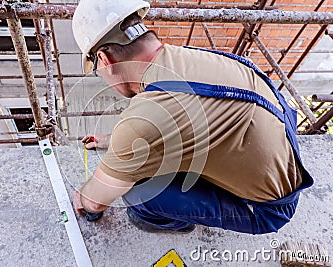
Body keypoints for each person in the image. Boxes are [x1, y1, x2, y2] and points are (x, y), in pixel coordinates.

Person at [71, 0, 314, 234]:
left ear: (104, 59)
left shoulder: (147, 119)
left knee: (137, 195)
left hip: (267, 210)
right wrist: (110, 141)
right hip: (273, 162)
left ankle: (178, 223)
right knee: (147, 160)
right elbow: (162, 129)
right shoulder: (186, 58)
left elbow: (96, 202)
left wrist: (83, 196)